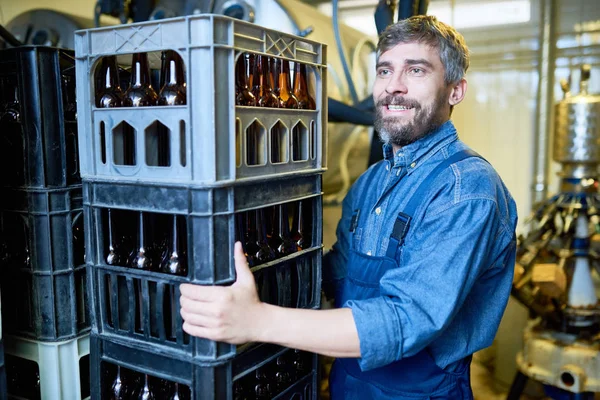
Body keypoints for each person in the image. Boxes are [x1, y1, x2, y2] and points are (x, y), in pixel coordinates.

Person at [179, 15, 518, 399]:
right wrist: (260, 273)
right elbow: (339, 272)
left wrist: (256, 320)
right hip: (347, 386)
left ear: (455, 91)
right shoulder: (372, 180)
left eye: (416, 70)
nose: (394, 86)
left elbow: (406, 319)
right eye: (385, 70)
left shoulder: (467, 189)